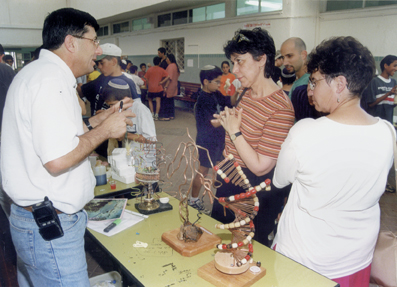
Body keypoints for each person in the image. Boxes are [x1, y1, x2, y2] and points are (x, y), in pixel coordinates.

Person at [1, 8, 134, 287]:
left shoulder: (41, 74)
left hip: (36, 221)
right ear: (71, 42)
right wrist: (105, 131)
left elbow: (57, 137)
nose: (97, 50)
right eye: (94, 40)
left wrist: (98, 120)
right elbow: (58, 160)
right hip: (50, 228)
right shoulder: (50, 81)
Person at [272, 36, 391, 287]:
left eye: (314, 82)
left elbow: (280, 179)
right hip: (357, 259)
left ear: (339, 84)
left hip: (305, 262)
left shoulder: (305, 132)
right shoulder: (388, 132)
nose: (310, 90)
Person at [211, 28, 295, 247]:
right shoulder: (247, 93)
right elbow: (243, 128)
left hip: (253, 193)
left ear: (261, 60)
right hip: (229, 180)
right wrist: (225, 120)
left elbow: (260, 166)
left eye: (240, 62)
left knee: (244, 254)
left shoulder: (281, 108)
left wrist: (233, 130)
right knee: (218, 243)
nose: (235, 70)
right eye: (233, 62)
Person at [189, 65, 232, 211]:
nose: (219, 85)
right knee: (203, 171)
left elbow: (229, 103)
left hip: (218, 139)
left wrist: (236, 92)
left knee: (221, 167)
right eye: (217, 82)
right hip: (206, 141)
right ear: (206, 81)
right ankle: (193, 200)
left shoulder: (215, 93)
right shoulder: (203, 99)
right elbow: (212, 123)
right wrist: (229, 120)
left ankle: (221, 199)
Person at [102, 78, 156, 144]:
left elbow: (151, 140)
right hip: (127, 152)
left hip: (141, 153)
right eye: (109, 105)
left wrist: (125, 135)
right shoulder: (120, 110)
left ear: (125, 99)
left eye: (113, 104)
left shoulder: (140, 109)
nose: (112, 108)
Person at [281, 37, 317, 121]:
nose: (285, 62)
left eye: (289, 56)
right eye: (283, 57)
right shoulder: (300, 80)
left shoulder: (305, 87)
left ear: (303, 55)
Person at [362, 55, 397, 124]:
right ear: (386, 65)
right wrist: (388, 94)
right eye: (395, 66)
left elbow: (392, 104)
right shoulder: (374, 81)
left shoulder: (394, 82)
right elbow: (371, 104)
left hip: (388, 123)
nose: (396, 69)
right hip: (375, 123)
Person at [145, 56, 169, 121]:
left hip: (151, 88)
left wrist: (148, 85)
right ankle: (157, 115)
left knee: (150, 100)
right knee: (158, 101)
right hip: (158, 88)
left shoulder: (149, 69)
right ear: (159, 63)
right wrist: (161, 82)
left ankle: (152, 113)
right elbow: (168, 76)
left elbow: (146, 79)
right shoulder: (161, 69)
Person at [161, 53, 180, 120]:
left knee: (166, 101)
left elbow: (169, 78)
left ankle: (166, 116)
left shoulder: (170, 66)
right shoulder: (175, 66)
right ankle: (171, 115)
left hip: (169, 86)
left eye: (167, 59)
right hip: (174, 85)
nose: (166, 60)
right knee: (171, 101)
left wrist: (165, 87)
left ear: (170, 59)